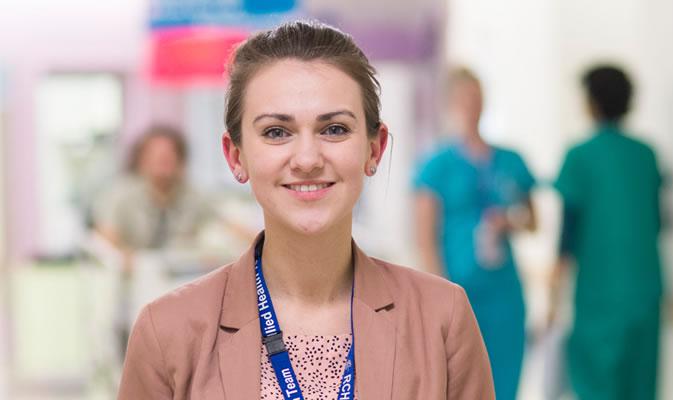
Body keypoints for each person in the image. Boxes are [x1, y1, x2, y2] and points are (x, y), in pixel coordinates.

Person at [118, 21, 494, 400]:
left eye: (334, 129)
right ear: (236, 156)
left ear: (374, 149)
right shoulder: (168, 333)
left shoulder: (442, 319)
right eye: (276, 132)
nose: (308, 159)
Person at [413, 67, 537, 400]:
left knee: (505, 380)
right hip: (458, 289)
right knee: (460, 383)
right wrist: (435, 296)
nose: (472, 106)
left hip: (504, 292)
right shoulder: (436, 165)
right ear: (450, 104)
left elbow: (533, 221)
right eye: (465, 99)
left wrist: (510, 221)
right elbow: (424, 237)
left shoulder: (511, 160)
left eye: (477, 97)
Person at [550, 65, 663, 400]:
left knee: (597, 385)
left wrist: (554, 289)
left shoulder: (580, 157)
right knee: (640, 386)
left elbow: (568, 230)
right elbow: (655, 222)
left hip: (599, 296)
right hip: (644, 292)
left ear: (592, 102)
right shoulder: (646, 156)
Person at [94, 125, 216, 258]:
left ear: (180, 160)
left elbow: (220, 221)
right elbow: (105, 235)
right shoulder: (120, 194)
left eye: (169, 155)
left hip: (181, 269)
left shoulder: (192, 194)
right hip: (135, 270)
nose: (162, 160)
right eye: (155, 155)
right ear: (141, 159)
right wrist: (121, 254)